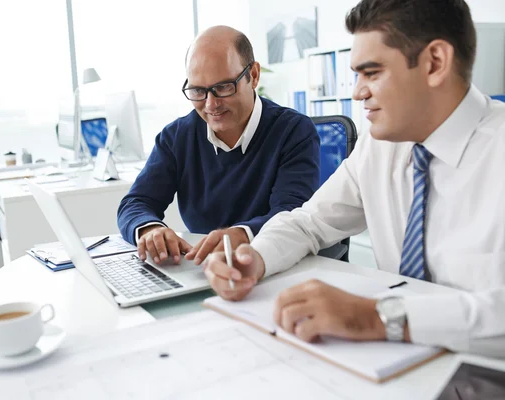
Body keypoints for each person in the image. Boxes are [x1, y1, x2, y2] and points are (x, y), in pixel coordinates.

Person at [204, 0, 505, 357]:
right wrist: (255, 257)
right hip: (396, 368)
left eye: (372, 73)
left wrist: (377, 317)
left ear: (435, 63)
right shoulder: (381, 147)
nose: (357, 92)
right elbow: (309, 222)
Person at [117, 26, 320, 266]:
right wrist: (150, 230)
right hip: (202, 267)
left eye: (223, 87)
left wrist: (242, 234)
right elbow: (136, 202)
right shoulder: (176, 136)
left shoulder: (294, 131)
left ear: (253, 75)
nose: (210, 104)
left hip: (274, 263)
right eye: (198, 91)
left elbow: (291, 213)